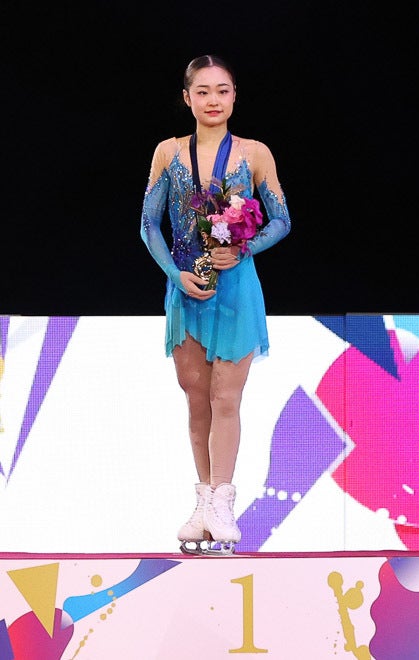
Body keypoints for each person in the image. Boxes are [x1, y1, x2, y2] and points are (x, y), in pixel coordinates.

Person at [140, 54, 291, 555]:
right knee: (197, 398)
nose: (213, 100)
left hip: (236, 289)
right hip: (187, 288)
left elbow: (281, 219)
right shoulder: (168, 152)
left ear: (234, 96)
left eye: (222, 90)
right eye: (202, 91)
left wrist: (243, 248)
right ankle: (203, 502)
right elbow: (148, 223)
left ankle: (224, 501)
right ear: (187, 98)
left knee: (227, 397)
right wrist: (174, 275)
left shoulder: (254, 153)